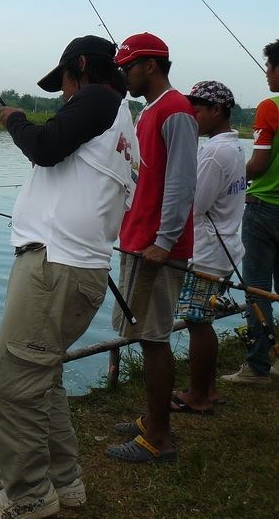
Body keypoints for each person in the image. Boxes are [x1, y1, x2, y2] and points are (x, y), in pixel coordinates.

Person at [0, 35, 139, 519]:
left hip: (53, 268)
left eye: (64, 83)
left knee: (8, 388)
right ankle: (65, 483)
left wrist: (14, 119)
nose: (65, 96)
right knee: (45, 380)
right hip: (77, 267)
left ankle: (28, 497)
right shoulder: (126, 123)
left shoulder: (98, 97)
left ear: (80, 66)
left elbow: (44, 146)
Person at [106, 32, 197, 464]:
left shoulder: (176, 111)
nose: (125, 74)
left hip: (158, 248)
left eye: (129, 67)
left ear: (151, 66)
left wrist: (164, 241)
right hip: (140, 241)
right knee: (144, 335)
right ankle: (150, 418)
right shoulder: (150, 112)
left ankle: (159, 439)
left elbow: (181, 183)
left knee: (155, 338)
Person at [171, 81, 245, 413]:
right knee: (204, 321)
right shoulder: (233, 147)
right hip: (221, 246)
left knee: (197, 322)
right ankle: (208, 390)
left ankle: (198, 396)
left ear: (216, 111)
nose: (193, 116)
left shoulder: (215, 152)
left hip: (207, 251)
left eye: (197, 110)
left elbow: (196, 204)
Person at [221, 39, 279, 384]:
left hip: (263, 210)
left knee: (257, 289)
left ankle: (258, 366)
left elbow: (257, 164)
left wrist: (227, 177)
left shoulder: (270, 106)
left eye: (270, 67)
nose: (267, 75)